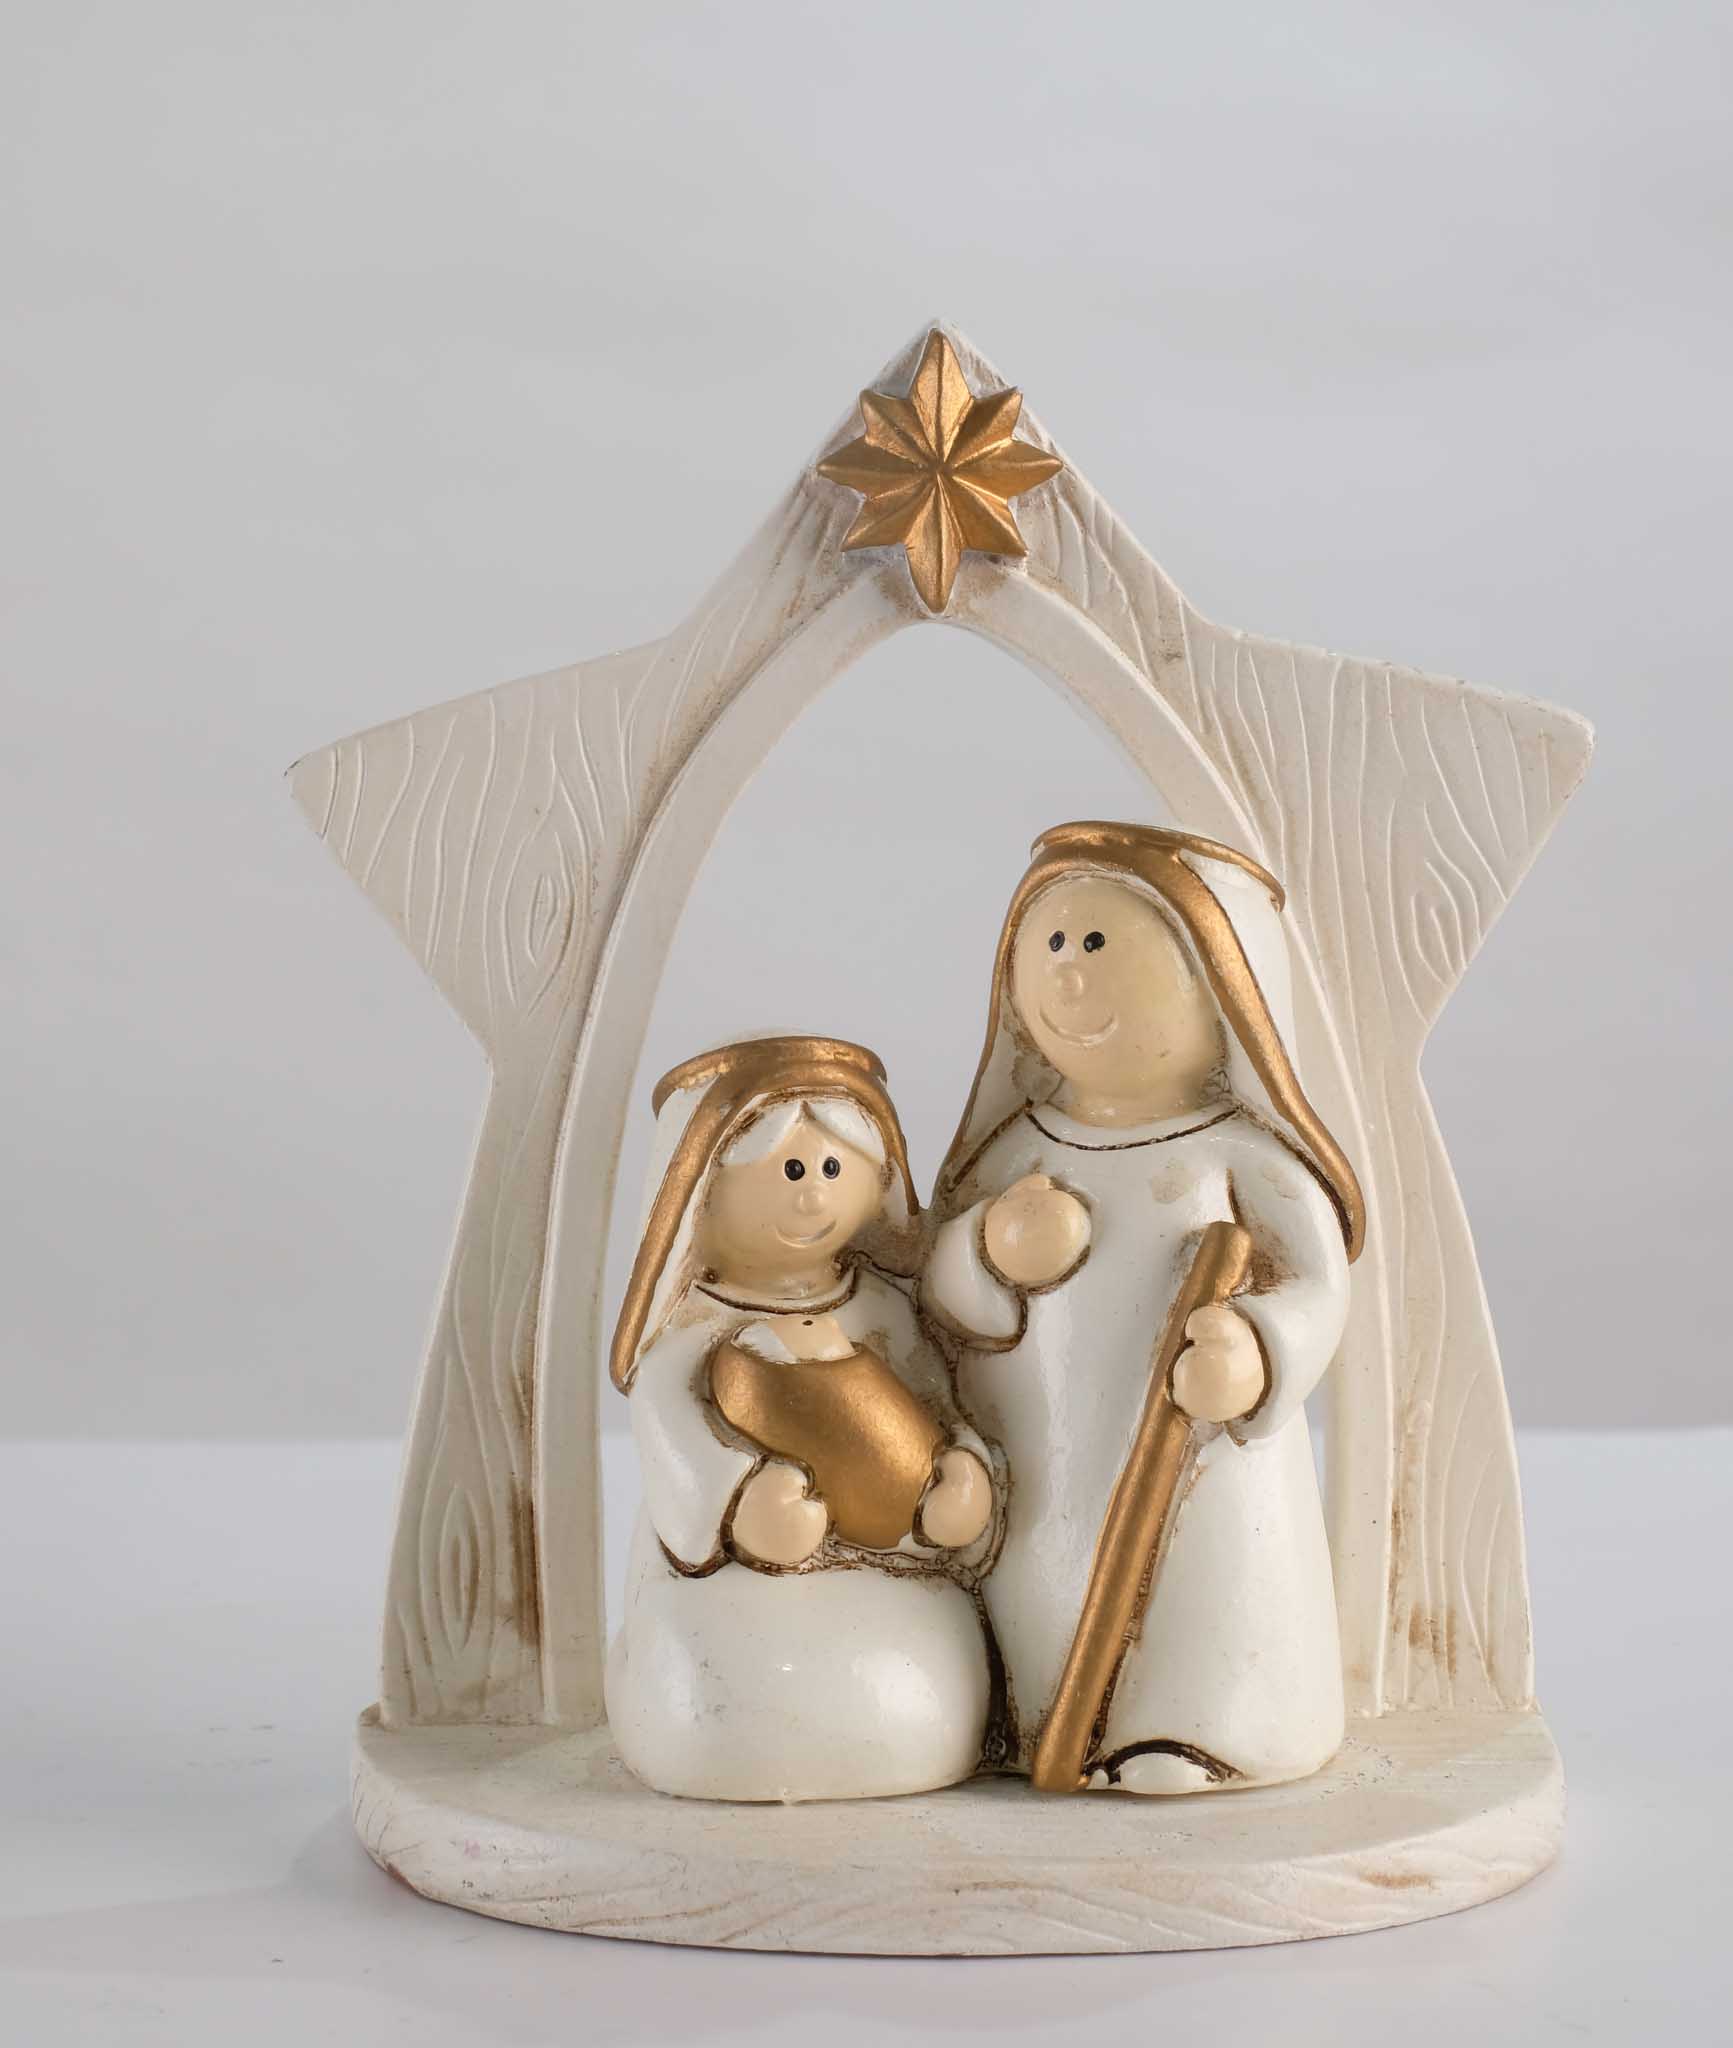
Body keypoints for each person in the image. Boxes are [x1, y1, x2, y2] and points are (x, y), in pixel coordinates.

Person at [923, 824, 1364, 1793]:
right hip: (1040, 1455)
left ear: (1224, 990)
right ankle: (1028, 1720)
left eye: (1097, 943)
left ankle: (1199, 1729)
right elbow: (937, 1295)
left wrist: (1255, 1351)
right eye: (1050, 943)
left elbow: (1317, 1287)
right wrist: (987, 1253)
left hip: (1196, 1465)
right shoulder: (1016, 1152)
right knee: (1040, 1586)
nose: (1069, 974)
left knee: (1197, 1596)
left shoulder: (1238, 1159)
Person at [606, 1035, 994, 1802]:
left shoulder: (881, 1309)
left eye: (831, 1169)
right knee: (737, 1690)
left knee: (920, 1676)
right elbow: (675, 1438)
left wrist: (960, 1472)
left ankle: (914, 1728)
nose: (812, 1196)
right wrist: (737, 1504)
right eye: (788, 1171)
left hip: (891, 1565)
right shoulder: (691, 1336)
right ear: (698, 1192)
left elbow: (937, 1400)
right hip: (742, 1582)